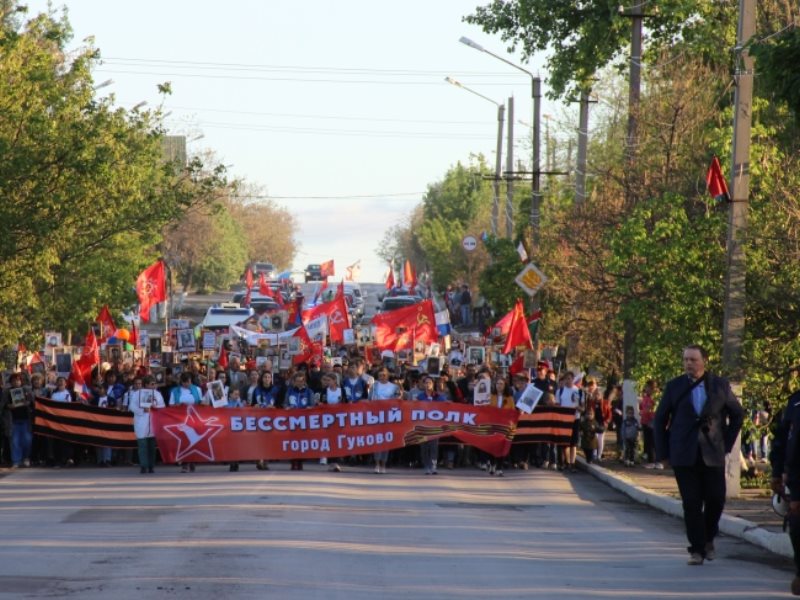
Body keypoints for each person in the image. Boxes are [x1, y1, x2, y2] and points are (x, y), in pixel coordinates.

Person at [653, 344, 744, 566]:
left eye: (693, 360)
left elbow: (737, 414)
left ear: (704, 361)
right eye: (686, 360)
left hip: (712, 453)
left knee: (715, 499)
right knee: (691, 503)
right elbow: (659, 420)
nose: (689, 364)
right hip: (683, 453)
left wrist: (726, 443)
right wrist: (663, 453)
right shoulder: (674, 386)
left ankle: (708, 537)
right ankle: (696, 549)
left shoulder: (719, 386)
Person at [130, 376, 165, 474]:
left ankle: (151, 466)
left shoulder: (158, 394)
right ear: (146, 385)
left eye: (154, 384)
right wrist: (142, 410)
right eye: (152, 384)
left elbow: (162, 406)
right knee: (142, 446)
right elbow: (131, 406)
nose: (154, 386)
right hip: (142, 422)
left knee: (152, 447)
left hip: (153, 423)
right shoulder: (137, 394)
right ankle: (143, 466)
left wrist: (156, 407)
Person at [368, 367, 400, 473]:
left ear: (388, 375)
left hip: (388, 416)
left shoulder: (394, 387)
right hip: (376, 416)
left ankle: (383, 464)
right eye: (380, 375)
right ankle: (376, 463)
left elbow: (398, 400)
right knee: (377, 440)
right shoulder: (374, 386)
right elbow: (369, 399)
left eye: (384, 375)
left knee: (386, 441)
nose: (382, 377)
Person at [0, 373, 33, 469]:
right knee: (14, 442)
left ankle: (26, 458)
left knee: (27, 440)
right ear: (11, 382)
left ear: (21, 381)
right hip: (12, 420)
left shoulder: (26, 390)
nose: (16, 382)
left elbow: (33, 402)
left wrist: (28, 403)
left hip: (26, 420)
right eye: (14, 380)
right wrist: (9, 406)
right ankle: (16, 461)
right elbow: (2, 405)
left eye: (18, 380)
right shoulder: (7, 392)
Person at [416, 375, 444, 474]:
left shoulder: (438, 396)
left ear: (433, 384)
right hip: (422, 425)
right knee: (424, 447)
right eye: (426, 383)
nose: (428, 385)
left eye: (430, 383)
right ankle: (426, 465)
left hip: (434, 426)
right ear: (423, 384)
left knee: (433, 446)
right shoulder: (420, 397)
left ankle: (433, 465)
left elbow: (445, 407)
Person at [556, 371, 583, 473]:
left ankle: (572, 463)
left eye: (570, 378)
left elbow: (582, 408)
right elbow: (558, 405)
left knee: (573, 443)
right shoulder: (560, 391)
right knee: (564, 443)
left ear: (573, 379)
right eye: (566, 378)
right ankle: (564, 462)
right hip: (563, 420)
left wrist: (577, 407)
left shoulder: (578, 392)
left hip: (575, 419)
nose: (568, 380)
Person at [639, 379, 661, 468]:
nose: (646, 389)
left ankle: (656, 461)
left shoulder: (655, 398)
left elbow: (654, 410)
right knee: (648, 442)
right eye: (646, 387)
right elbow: (642, 408)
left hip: (652, 422)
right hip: (645, 421)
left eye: (648, 387)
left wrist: (651, 418)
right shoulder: (645, 397)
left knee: (653, 442)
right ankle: (652, 461)